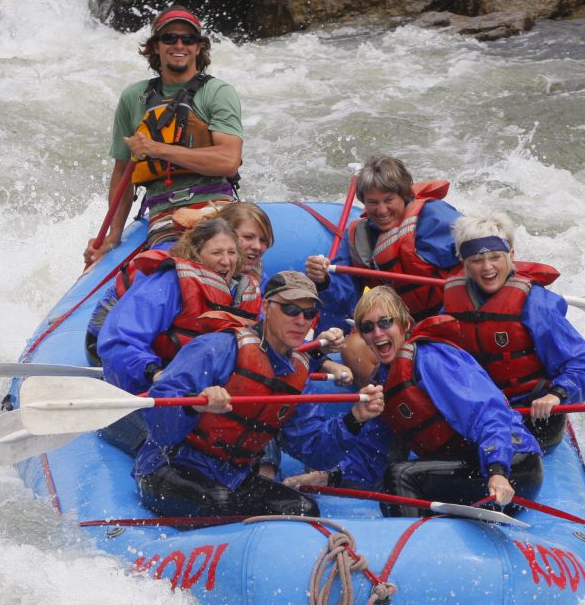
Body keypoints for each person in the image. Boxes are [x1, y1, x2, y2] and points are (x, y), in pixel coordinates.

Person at [135, 272, 385, 518]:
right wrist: (194, 404)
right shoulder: (218, 347)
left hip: (235, 476)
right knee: (219, 503)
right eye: (290, 310)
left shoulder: (298, 372)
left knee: (303, 509)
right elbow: (158, 425)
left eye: (309, 314)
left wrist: (354, 419)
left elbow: (314, 451)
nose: (301, 320)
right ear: (267, 306)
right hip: (171, 466)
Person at [312, 286, 542, 514]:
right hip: (470, 466)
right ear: (363, 337)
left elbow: (488, 413)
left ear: (405, 324)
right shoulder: (385, 383)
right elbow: (375, 452)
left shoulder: (431, 358)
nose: (378, 333)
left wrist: (497, 470)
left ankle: (410, 547)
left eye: (385, 322)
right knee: (394, 477)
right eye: (368, 327)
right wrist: (332, 477)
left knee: (400, 476)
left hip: (510, 464)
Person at [84, 6, 243, 266]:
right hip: (163, 211)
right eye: (169, 38)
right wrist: (113, 236)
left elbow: (228, 160)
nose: (178, 44)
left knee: (230, 252)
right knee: (174, 264)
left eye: (188, 39)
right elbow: (122, 171)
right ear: (156, 46)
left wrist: (159, 149)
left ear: (199, 47)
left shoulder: (217, 92)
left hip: (215, 203)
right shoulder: (132, 98)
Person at [442, 212, 585, 449]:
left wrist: (555, 395)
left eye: (495, 257)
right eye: (476, 260)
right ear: (464, 263)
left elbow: (581, 366)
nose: (487, 268)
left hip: (532, 413)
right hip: (481, 409)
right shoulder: (452, 303)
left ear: (511, 255)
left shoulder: (535, 305)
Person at [304, 154, 462, 382]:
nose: (381, 210)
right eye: (372, 202)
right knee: (353, 349)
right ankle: (388, 399)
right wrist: (323, 280)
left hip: (444, 317)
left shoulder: (434, 218)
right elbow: (344, 296)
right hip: (392, 326)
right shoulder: (359, 237)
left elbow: (475, 264)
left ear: (405, 196)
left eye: (389, 200)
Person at [85, 202, 275, 364]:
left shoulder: (252, 279)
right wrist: (154, 373)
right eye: (249, 237)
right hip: (111, 340)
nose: (257, 246)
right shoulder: (171, 275)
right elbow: (126, 333)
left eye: (263, 240)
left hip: (179, 349)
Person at [96, 217, 259, 393]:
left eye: (232, 253)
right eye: (217, 253)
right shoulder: (171, 283)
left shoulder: (245, 293)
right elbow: (121, 338)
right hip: (156, 380)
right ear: (195, 253)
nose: (226, 261)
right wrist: (155, 373)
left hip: (211, 390)